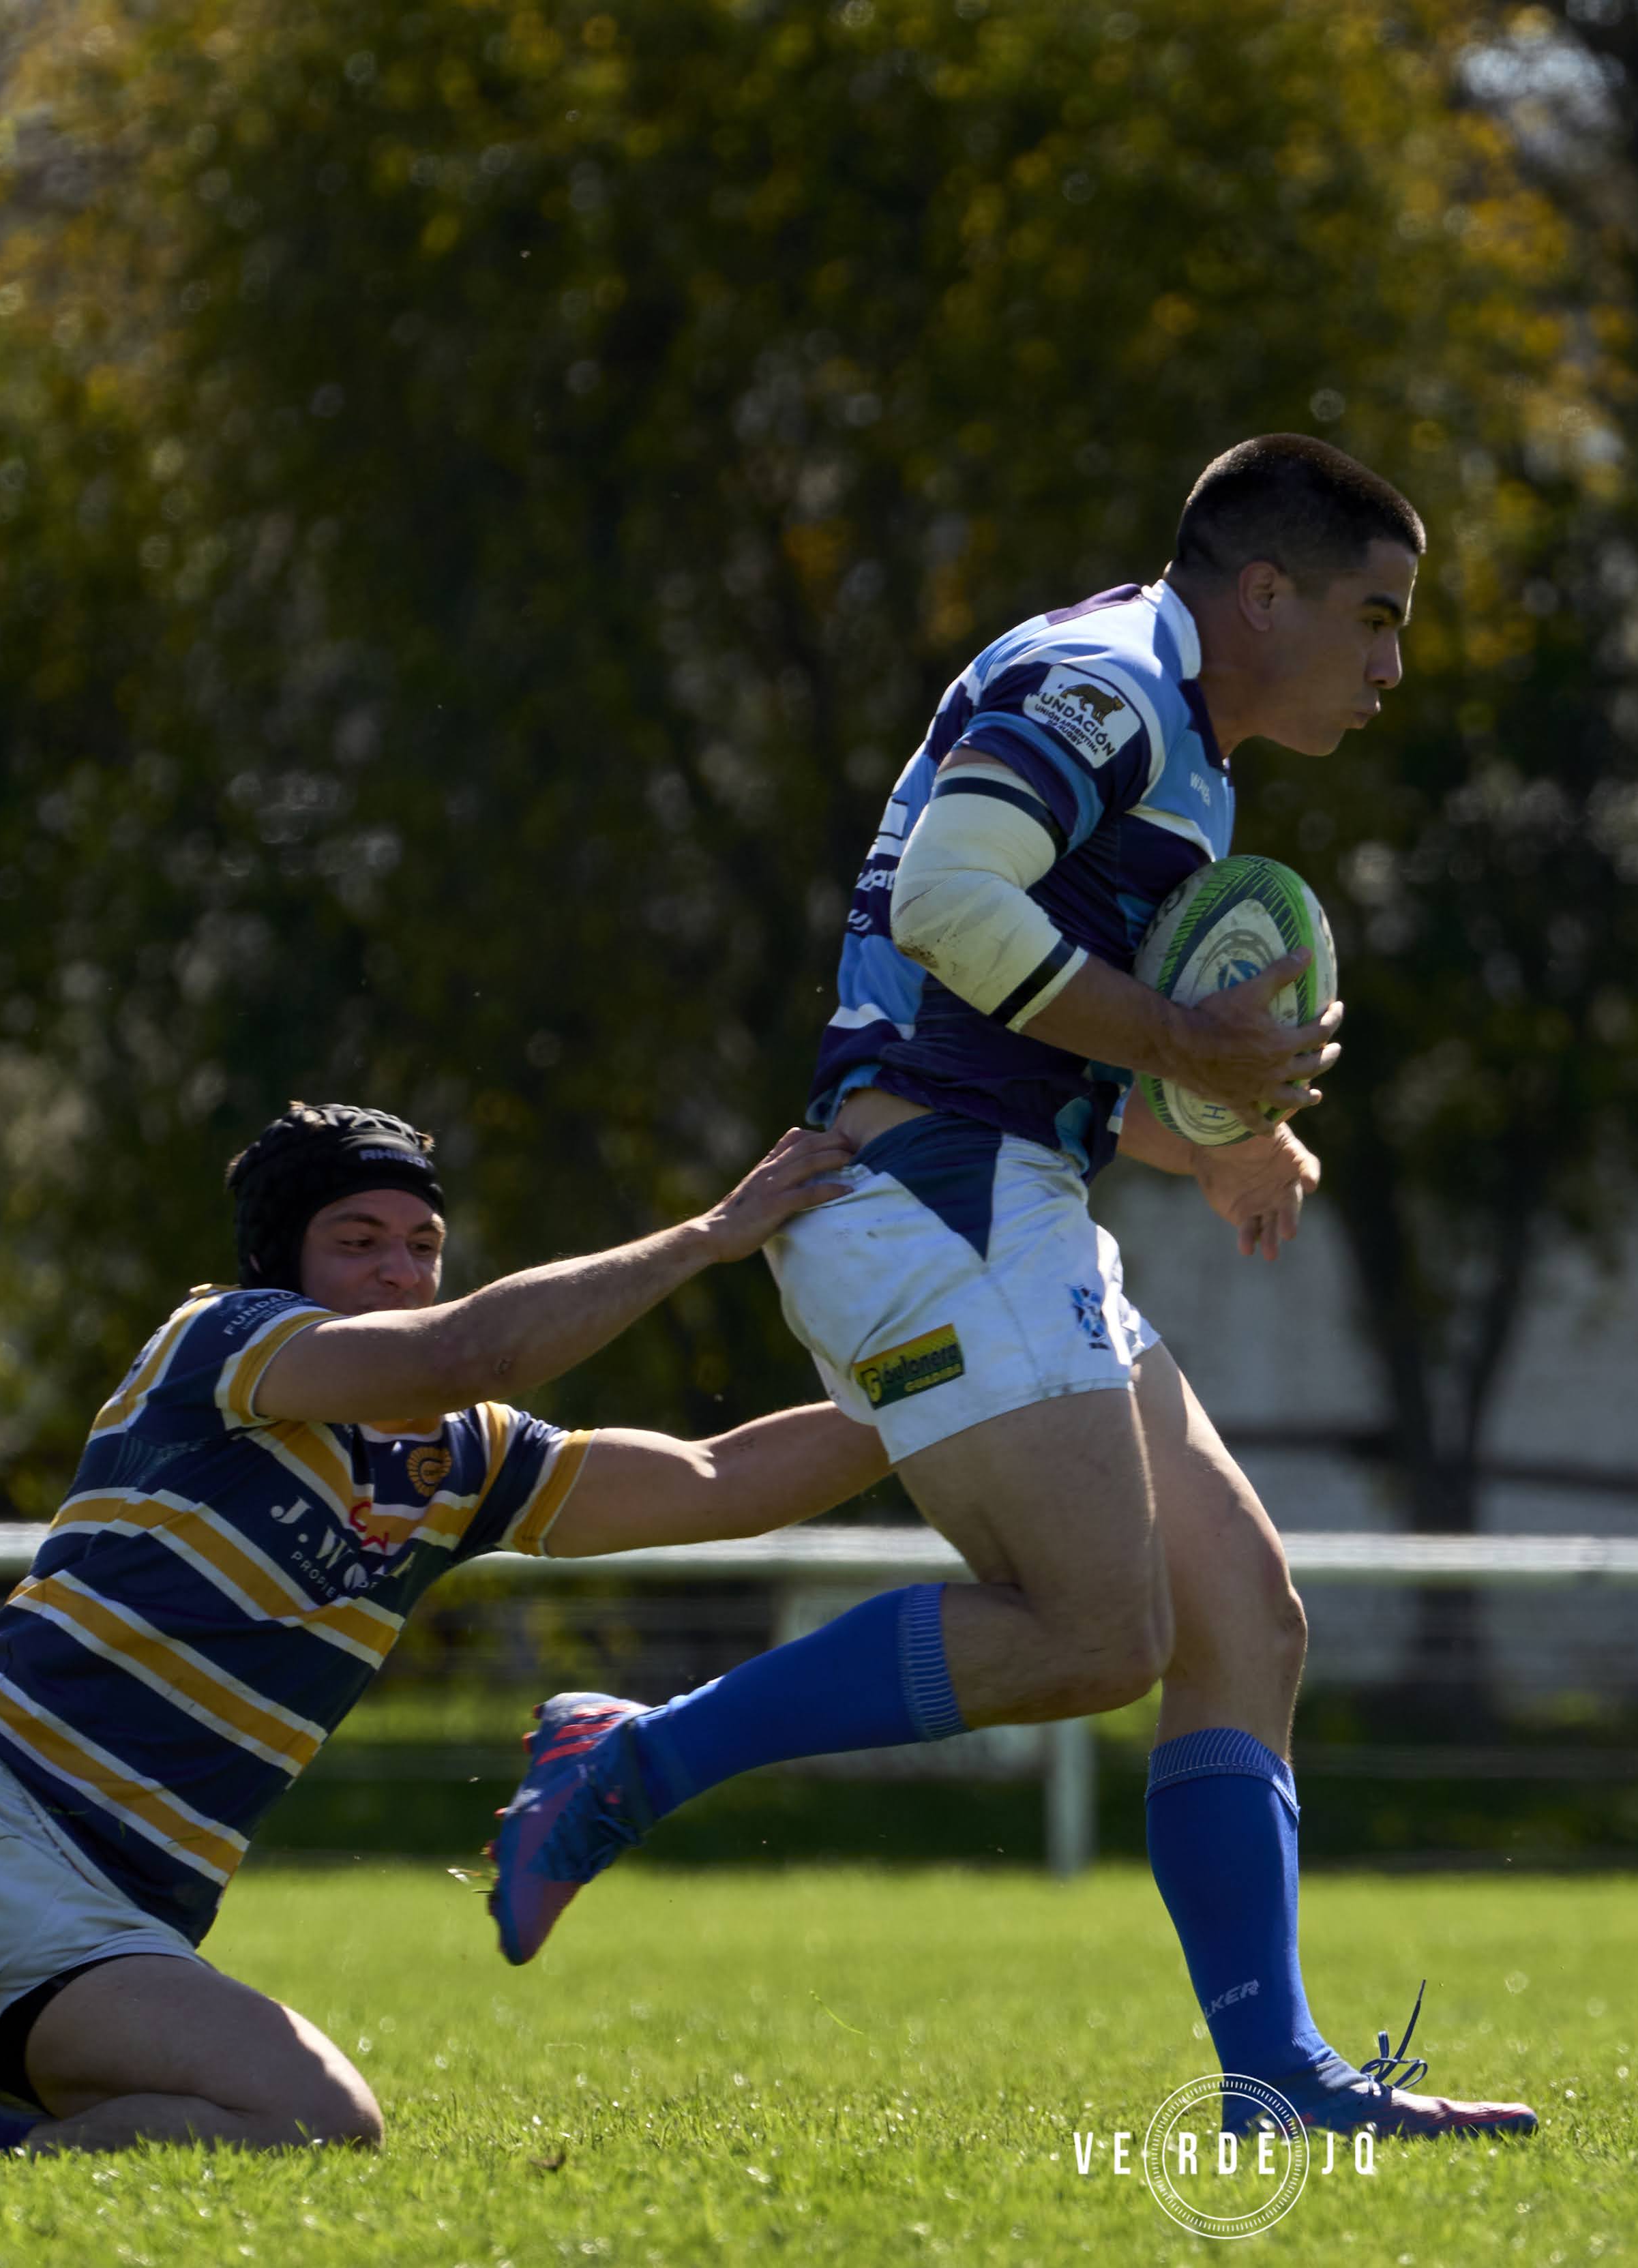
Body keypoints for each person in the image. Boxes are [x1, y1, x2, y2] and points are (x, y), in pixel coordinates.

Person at [489, 434, 1538, 2138]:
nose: (1391, 664)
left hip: (1000, 1190)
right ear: (1260, 590)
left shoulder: (1183, 746)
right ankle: (627, 1758)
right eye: (1375, 615)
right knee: (1095, 1632)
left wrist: (1192, 1133)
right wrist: (1181, 1043)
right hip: (928, 1201)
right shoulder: (1107, 686)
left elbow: (1000, 1014)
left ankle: (1274, 2077)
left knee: (1243, 1620)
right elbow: (947, 896)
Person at [0, 1102, 881, 2158]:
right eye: (358, 1239)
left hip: (112, 1917)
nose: (399, 1269)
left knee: (322, 2124)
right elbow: (464, 1349)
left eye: (422, 1243)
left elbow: (724, 1481)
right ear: (287, 1266)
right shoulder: (222, 1343)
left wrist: (980, 1385)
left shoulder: (465, 1460)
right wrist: (711, 1233)